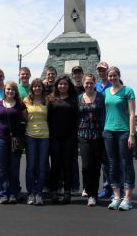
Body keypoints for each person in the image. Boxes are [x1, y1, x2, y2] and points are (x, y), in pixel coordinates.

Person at [103, 66, 136, 211]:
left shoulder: (128, 91)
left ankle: (127, 198)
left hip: (123, 132)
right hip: (108, 131)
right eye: (110, 76)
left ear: (119, 75)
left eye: (114, 75)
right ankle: (116, 196)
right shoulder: (106, 92)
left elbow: (132, 114)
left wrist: (131, 134)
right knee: (112, 164)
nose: (112, 78)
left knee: (126, 163)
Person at [0, 81, 27, 204]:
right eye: (8, 89)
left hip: (16, 139)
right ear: (4, 90)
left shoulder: (20, 105)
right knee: (2, 168)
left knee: (14, 167)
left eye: (12, 89)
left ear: (15, 91)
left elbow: (26, 119)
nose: (10, 91)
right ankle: (2, 193)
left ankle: (13, 193)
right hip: (0, 138)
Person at [48, 75, 78, 204]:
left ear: (68, 86)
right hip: (54, 137)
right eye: (60, 84)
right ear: (57, 86)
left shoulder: (74, 100)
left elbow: (77, 119)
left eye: (65, 84)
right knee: (55, 166)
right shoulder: (51, 99)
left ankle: (67, 192)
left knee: (67, 166)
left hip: (69, 138)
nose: (62, 86)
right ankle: (54, 191)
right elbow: (47, 118)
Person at [78, 73, 105, 206]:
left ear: (95, 83)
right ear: (83, 84)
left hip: (98, 134)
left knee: (96, 166)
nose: (89, 85)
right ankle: (88, 190)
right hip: (84, 135)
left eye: (91, 83)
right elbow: (76, 116)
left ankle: (93, 194)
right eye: (86, 83)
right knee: (86, 166)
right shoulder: (79, 98)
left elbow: (104, 114)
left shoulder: (101, 97)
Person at [24, 78, 49, 205]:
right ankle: (31, 193)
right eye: (35, 86)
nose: (37, 88)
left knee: (42, 166)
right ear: (32, 88)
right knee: (31, 166)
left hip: (44, 136)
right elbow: (23, 117)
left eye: (40, 86)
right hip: (30, 135)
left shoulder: (47, 101)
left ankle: (39, 193)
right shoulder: (26, 101)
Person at [95, 61, 113, 199]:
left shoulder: (113, 85)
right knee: (104, 161)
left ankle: (116, 188)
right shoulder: (95, 86)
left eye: (103, 70)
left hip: (111, 126)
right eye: (99, 70)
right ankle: (107, 187)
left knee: (113, 160)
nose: (101, 73)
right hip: (98, 127)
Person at [71, 65, 84, 195]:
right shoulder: (69, 89)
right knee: (72, 159)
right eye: (75, 73)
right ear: (72, 75)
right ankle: (74, 186)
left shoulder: (87, 88)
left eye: (79, 72)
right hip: (73, 128)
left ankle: (86, 187)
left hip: (86, 128)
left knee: (87, 160)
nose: (77, 75)